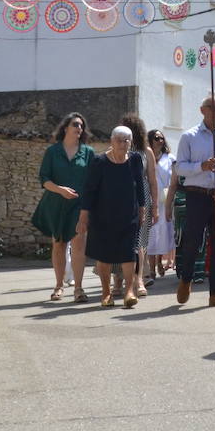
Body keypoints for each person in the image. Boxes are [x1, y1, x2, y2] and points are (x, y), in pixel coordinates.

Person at [174, 93, 215, 307]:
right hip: (196, 194)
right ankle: (186, 278)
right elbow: (179, 167)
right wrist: (201, 166)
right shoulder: (189, 136)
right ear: (202, 110)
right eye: (213, 107)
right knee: (192, 241)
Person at [77, 126, 148, 309]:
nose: (123, 144)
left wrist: (142, 207)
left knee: (128, 252)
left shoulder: (135, 159)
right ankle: (106, 293)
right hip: (103, 215)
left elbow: (140, 184)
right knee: (104, 254)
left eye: (127, 140)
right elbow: (89, 189)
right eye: (119, 140)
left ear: (131, 143)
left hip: (129, 214)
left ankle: (129, 292)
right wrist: (83, 216)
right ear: (111, 141)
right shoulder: (99, 161)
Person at [31, 112, 94, 303]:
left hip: (79, 206)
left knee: (78, 245)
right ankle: (59, 286)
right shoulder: (52, 152)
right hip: (56, 204)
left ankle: (79, 288)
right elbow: (44, 179)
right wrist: (60, 190)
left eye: (81, 126)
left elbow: (92, 183)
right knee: (58, 244)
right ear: (65, 127)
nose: (79, 128)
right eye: (75, 124)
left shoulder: (88, 152)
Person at [120, 114, 160, 297]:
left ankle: (139, 279)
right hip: (122, 196)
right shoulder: (117, 149)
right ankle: (120, 280)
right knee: (121, 238)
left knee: (141, 240)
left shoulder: (147, 151)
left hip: (142, 195)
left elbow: (152, 180)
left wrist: (156, 207)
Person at [146, 129, 176, 277]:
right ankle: (151, 267)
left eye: (161, 138)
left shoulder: (170, 158)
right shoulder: (145, 156)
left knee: (162, 233)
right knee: (151, 233)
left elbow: (175, 178)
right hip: (149, 199)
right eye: (156, 138)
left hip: (164, 201)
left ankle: (159, 261)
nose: (160, 141)